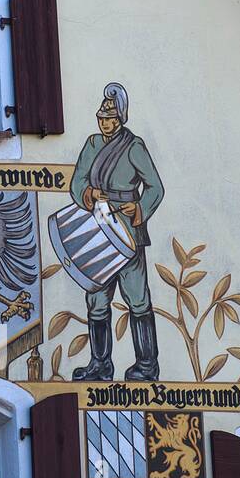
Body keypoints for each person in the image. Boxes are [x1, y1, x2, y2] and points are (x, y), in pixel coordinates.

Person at [68, 82, 166, 381]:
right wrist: (90, 193)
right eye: (101, 117)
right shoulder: (92, 144)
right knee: (96, 297)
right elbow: (76, 183)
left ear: (120, 118)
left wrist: (137, 210)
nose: (103, 122)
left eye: (109, 117)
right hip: (98, 227)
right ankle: (101, 364)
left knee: (137, 298)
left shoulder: (134, 146)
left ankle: (147, 366)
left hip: (127, 231)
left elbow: (155, 188)